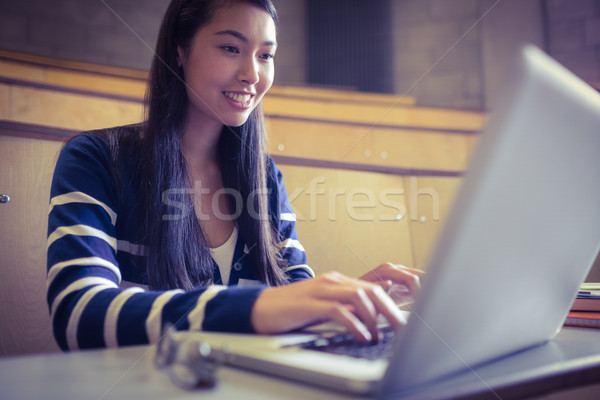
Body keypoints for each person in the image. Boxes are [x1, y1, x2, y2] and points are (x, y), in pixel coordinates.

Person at [46, 0, 422, 351]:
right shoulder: (95, 160)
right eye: (230, 48)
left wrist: (354, 300)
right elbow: (78, 315)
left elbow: (294, 296)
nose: (251, 74)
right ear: (180, 49)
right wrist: (253, 308)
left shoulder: (265, 178)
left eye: (266, 55)